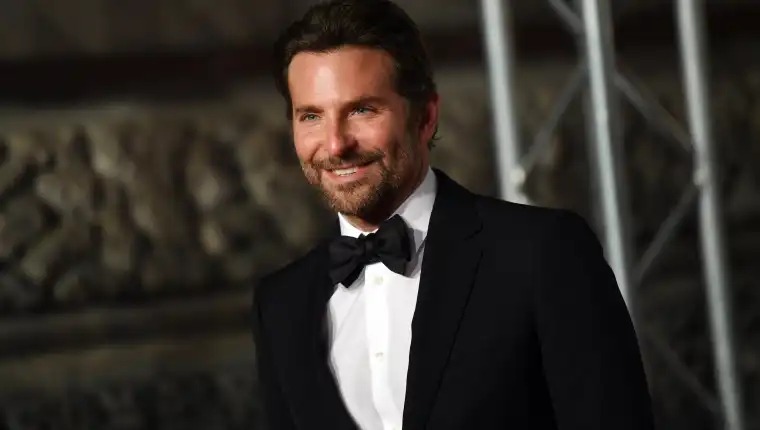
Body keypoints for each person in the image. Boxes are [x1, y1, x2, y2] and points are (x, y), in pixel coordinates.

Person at [251, 1, 655, 429]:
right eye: (311, 116)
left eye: (362, 110)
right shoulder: (281, 305)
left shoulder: (542, 254)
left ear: (425, 117)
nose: (335, 145)